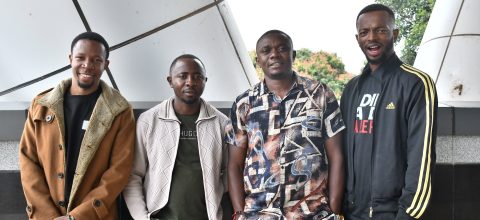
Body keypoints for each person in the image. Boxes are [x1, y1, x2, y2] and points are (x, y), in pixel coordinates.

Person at [228, 30, 345, 220]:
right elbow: (234, 164)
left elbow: (337, 155)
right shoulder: (244, 104)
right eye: (266, 50)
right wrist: (240, 213)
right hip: (259, 214)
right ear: (258, 60)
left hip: (312, 213)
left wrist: (334, 208)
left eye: (282, 48)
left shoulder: (320, 94)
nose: (274, 54)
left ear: (293, 55)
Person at [18, 32, 135, 220]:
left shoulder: (120, 111)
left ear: (106, 64)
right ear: (70, 59)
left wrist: (77, 217)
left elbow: (119, 171)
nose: (87, 65)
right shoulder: (41, 105)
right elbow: (28, 161)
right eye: (80, 58)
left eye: (97, 60)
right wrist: (48, 215)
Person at [340, 4, 438, 219]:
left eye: (381, 30)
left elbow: (421, 159)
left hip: (393, 214)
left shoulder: (416, 83)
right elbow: (341, 152)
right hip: (352, 211)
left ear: (395, 34)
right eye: (364, 32)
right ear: (357, 39)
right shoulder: (351, 89)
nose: (371, 38)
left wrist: (408, 214)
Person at [123, 54, 235, 220]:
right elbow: (133, 175)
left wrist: (215, 196)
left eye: (197, 77)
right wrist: (141, 217)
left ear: (205, 81)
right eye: (182, 76)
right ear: (170, 81)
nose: (190, 82)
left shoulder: (223, 123)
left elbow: (231, 172)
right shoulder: (148, 120)